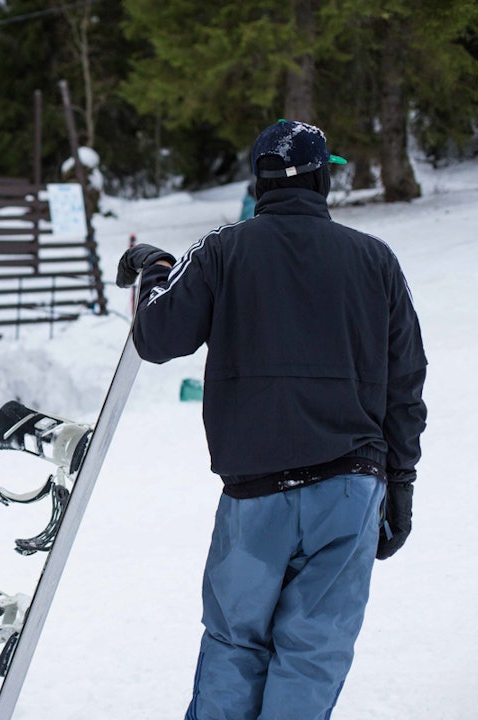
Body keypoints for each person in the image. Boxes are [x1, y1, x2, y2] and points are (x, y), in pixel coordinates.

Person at [115, 119, 427, 720]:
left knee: (236, 643)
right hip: (350, 488)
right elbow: (407, 383)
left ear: (259, 183)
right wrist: (402, 484)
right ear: (321, 181)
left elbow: (155, 337)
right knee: (313, 654)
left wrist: (157, 267)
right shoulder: (376, 260)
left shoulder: (224, 249)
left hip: (256, 495)